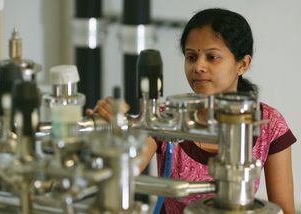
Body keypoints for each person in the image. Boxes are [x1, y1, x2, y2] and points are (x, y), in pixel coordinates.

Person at [88, 8, 296, 214]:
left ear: (243, 64)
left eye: (212, 57)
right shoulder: (166, 117)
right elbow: (126, 168)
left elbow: (284, 210)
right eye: (191, 57)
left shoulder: (269, 123)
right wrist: (113, 131)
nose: (198, 67)